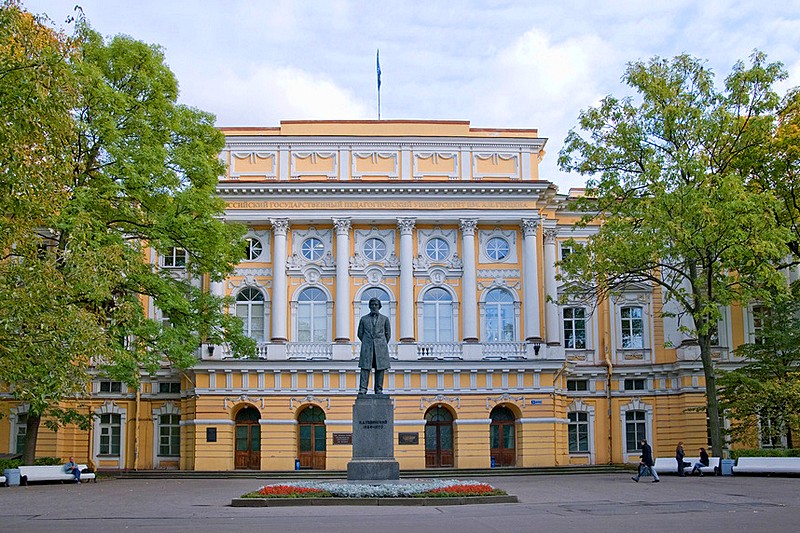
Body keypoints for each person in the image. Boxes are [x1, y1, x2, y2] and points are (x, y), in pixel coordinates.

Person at [356, 297, 391, 395]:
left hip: (380, 348)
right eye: (372, 305)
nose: (374, 306)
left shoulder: (385, 319)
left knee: (380, 369)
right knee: (365, 368)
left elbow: (388, 334)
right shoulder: (363, 319)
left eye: (376, 305)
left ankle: (378, 389)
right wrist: (368, 342)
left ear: (379, 306)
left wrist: (381, 343)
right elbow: (360, 334)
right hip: (367, 348)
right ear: (369, 306)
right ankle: (363, 388)